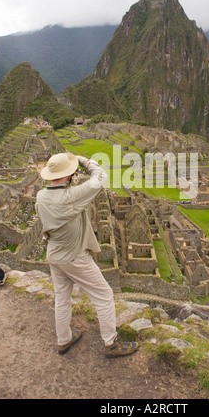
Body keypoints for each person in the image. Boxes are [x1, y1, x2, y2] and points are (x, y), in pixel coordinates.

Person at [35, 152, 138, 357]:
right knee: (104, 295)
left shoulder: (41, 196)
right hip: (74, 256)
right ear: (70, 174)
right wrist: (82, 160)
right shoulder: (71, 196)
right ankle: (111, 342)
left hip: (54, 255)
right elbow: (99, 176)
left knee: (62, 299)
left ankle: (64, 340)